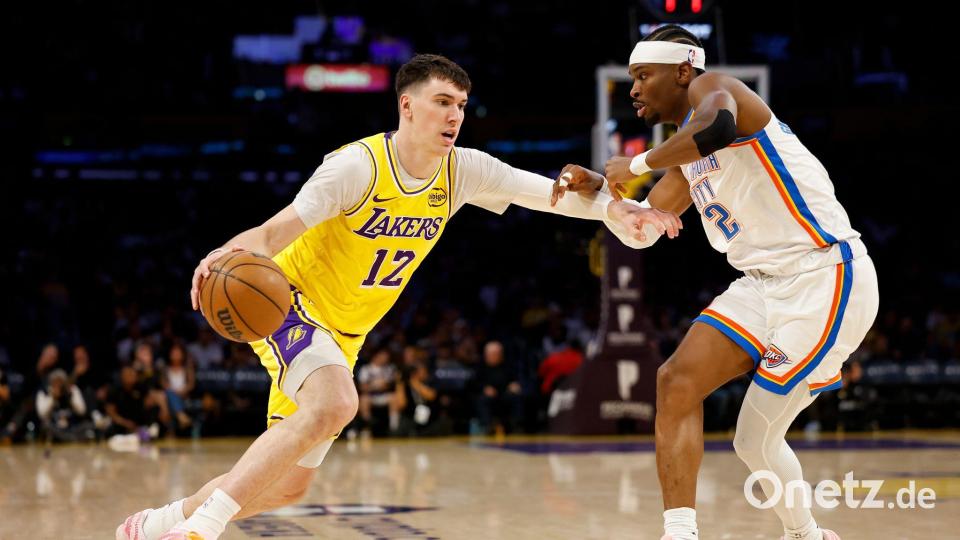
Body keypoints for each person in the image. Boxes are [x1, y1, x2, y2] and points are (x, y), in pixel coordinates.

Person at [116, 53, 681, 540]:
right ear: (407, 107)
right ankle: (201, 528)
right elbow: (270, 235)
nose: (455, 114)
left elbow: (549, 195)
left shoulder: (463, 172)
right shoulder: (353, 168)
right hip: (292, 303)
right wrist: (216, 256)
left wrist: (619, 208)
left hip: (348, 332)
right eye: (442, 102)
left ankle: (160, 520)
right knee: (338, 403)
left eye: (461, 104)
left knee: (286, 486)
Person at [554, 25, 879, 540]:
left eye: (644, 75)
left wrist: (635, 164)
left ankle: (807, 535)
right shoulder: (688, 158)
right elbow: (643, 224)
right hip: (761, 283)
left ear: (683, 70)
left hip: (825, 274)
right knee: (675, 381)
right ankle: (680, 533)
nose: (633, 88)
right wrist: (597, 192)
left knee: (754, 439)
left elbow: (716, 125)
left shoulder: (715, 90)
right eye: (631, 77)